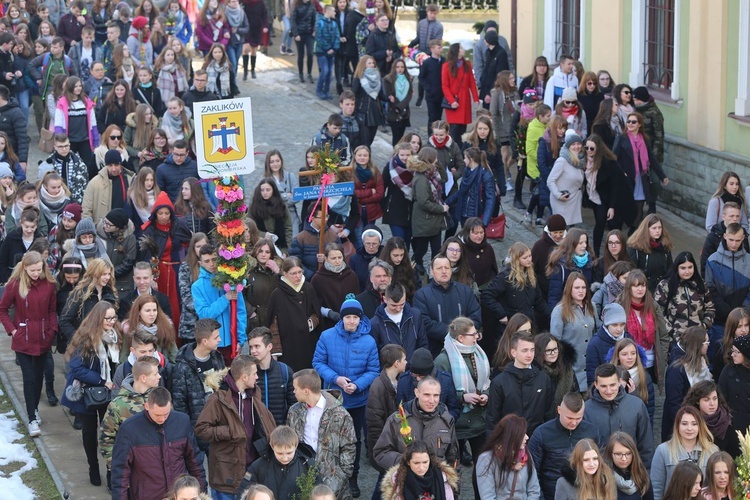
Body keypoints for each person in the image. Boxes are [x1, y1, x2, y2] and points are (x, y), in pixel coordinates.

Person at [313, 295, 378, 496]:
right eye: (348, 317)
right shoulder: (327, 336)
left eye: (355, 317)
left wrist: (358, 385)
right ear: (341, 318)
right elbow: (318, 362)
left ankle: (352, 478)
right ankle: (328, 477)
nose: (351, 321)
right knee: (329, 439)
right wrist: (337, 379)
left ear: (360, 319)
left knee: (354, 441)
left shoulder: (369, 341)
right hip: (333, 398)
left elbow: (374, 369)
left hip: (358, 400)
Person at [195, 355, 277, 500]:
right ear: (244, 377)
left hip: (251, 470)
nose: (257, 377)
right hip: (226, 474)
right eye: (254, 374)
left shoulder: (254, 394)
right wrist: (229, 431)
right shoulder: (218, 399)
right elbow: (201, 429)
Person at [60, 300, 121, 486]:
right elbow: (76, 369)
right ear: (98, 318)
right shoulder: (86, 339)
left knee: (110, 434)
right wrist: (102, 381)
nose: (111, 321)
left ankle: (111, 472)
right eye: (107, 318)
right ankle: (93, 468)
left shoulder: (115, 337)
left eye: (113, 317)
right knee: (89, 433)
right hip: (87, 394)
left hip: (108, 395)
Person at [111, 387, 207, 498]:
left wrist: (201, 493)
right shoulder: (129, 429)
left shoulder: (182, 422)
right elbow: (120, 473)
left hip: (177, 495)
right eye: (157, 415)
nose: (162, 419)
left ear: (170, 406)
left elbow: (194, 461)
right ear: (146, 406)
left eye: (166, 414)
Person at [0, 251, 56, 438]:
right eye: (32, 270)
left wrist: (52, 330)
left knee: (39, 377)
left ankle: (34, 409)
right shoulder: (15, 285)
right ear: (24, 268)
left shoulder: (48, 285)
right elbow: (3, 309)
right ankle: (31, 417)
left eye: (39, 269)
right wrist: (14, 331)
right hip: (23, 340)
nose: (35, 273)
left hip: (43, 338)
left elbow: (51, 310)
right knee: (28, 377)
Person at [434, 316, 490, 480]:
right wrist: (463, 396)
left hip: (478, 420)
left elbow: (487, 381)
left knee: (483, 471)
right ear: (460, 337)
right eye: (472, 335)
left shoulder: (479, 354)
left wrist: (485, 395)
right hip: (456, 424)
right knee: (452, 472)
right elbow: (440, 394)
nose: (476, 337)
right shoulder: (443, 360)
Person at [287, 368, 356, 498]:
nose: (293, 392)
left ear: (306, 391)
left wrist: (341, 475)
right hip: (302, 473)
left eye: (295, 388)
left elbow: (349, 446)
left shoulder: (340, 414)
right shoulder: (294, 411)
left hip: (332, 480)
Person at [99, 356, 161, 488]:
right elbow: (106, 440)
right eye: (155, 373)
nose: (159, 376)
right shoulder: (118, 405)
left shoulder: (160, 398)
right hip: (130, 475)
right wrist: (117, 467)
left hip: (156, 473)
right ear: (143, 378)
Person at [374, 376, 459, 470]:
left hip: (435, 480)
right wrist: (408, 462)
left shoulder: (446, 421)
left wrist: (453, 482)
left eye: (436, 395)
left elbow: (453, 458)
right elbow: (381, 453)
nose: (432, 401)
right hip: (406, 479)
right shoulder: (397, 420)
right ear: (417, 393)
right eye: (427, 395)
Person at [528, 392, 600, 500]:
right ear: (559, 410)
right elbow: (532, 472)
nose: (574, 423)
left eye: (578, 418)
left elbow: (601, 465)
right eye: (570, 418)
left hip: (586, 494)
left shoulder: (592, 431)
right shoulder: (542, 433)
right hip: (550, 494)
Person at [171, 318, 225, 458]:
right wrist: (188, 432)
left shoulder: (217, 357)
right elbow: (179, 402)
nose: (220, 340)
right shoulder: (183, 366)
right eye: (216, 337)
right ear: (205, 341)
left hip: (216, 427)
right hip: (196, 431)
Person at [139, 191, 191, 333]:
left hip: (175, 272)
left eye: (166, 213)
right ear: (155, 213)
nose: (163, 217)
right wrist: (151, 277)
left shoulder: (179, 225)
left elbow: (189, 244)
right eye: (160, 213)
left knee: (176, 306)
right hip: (159, 274)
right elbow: (146, 255)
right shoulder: (149, 230)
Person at [485, 330, 555, 437]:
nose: (529, 354)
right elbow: (492, 420)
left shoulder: (543, 379)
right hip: (508, 440)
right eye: (524, 350)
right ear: (513, 352)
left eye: (532, 350)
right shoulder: (499, 382)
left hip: (537, 439)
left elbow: (549, 414)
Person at [584, 364, 654, 468]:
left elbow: (646, 444)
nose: (608, 391)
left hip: (631, 472)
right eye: (603, 386)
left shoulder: (637, 405)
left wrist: (644, 473)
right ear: (596, 385)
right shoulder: (586, 409)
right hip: (599, 473)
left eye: (612, 385)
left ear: (619, 382)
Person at [481, 241, 550, 345]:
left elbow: (539, 302)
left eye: (530, 256)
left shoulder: (531, 276)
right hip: (510, 326)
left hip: (528, 324)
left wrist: (553, 314)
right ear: (517, 259)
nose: (529, 260)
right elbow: (487, 295)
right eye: (525, 257)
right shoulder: (505, 277)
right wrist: (501, 314)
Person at [413, 254, 482, 357]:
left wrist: (462, 334)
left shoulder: (465, 291)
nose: (444, 271)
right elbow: (424, 323)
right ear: (431, 271)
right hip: (435, 351)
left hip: (464, 348)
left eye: (447, 268)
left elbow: (475, 316)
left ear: (451, 270)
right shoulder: (421, 295)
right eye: (439, 268)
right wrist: (454, 334)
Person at [192, 243, 248, 366]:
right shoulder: (197, 286)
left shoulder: (231, 279)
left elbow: (240, 312)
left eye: (214, 259)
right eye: (207, 261)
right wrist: (225, 298)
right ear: (200, 263)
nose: (211, 264)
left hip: (232, 341)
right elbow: (204, 315)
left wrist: (241, 339)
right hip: (212, 344)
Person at [612, 112, 668, 229]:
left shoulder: (644, 139)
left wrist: (662, 176)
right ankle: (619, 227)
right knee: (626, 204)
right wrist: (622, 172)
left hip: (641, 177)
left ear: (639, 125)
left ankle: (634, 230)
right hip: (627, 177)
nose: (630, 124)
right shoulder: (622, 138)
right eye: (628, 121)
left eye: (633, 122)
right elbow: (614, 158)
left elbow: (651, 158)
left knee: (639, 206)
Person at [651, 405, 718, 500]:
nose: (689, 428)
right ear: (677, 425)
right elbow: (656, 489)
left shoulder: (712, 451)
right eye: (684, 423)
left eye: (694, 424)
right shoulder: (663, 451)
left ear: (700, 426)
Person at [266, 257, 320, 371]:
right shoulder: (277, 294)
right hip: (288, 346)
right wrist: (275, 351)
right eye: (293, 273)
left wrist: (309, 324)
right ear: (284, 274)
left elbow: (317, 313)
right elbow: (272, 324)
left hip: (308, 343)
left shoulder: (308, 288)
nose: (298, 276)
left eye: (300, 272)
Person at [705, 223, 750, 357]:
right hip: (720, 320)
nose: (734, 244)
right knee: (718, 355)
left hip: (743, 322)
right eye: (731, 240)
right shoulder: (713, 260)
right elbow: (710, 290)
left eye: (738, 240)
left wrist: (742, 313)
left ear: (743, 238)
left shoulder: (749, 261)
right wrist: (727, 312)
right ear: (725, 236)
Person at [654, 251, 715, 344]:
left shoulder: (700, 284)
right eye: (683, 268)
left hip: (698, 339)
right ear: (677, 268)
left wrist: (704, 326)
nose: (687, 271)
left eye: (690, 267)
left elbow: (710, 308)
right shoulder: (665, 285)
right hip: (673, 340)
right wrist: (672, 333)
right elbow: (657, 313)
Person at [549, 271, 597, 388]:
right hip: (571, 369)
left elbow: (595, 333)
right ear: (569, 288)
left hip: (591, 369)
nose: (581, 291)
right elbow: (555, 340)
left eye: (583, 287)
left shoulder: (592, 306)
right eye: (577, 288)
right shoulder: (559, 310)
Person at [366, 344, 405, 479]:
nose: (406, 362)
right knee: (386, 480)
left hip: (395, 443)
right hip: (386, 445)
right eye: (404, 359)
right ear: (396, 363)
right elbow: (375, 423)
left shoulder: (401, 381)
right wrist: (381, 451)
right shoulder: (378, 387)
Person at [246, 425, 317, 499]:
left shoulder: (308, 466)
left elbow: (320, 493)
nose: (285, 458)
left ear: (296, 446)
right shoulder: (258, 466)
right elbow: (245, 492)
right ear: (272, 446)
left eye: (289, 453)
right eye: (280, 453)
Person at [381, 440, 459, 500]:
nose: (421, 467)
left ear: (430, 460)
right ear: (408, 462)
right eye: (416, 463)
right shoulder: (398, 480)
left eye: (425, 462)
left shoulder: (442, 477)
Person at [683, 380, 739, 458]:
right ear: (697, 401)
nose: (712, 404)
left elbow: (735, 452)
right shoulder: (689, 420)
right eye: (706, 400)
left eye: (715, 398)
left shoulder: (726, 419)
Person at [632, 86, 665, 214]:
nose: (635, 101)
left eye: (638, 99)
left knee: (655, 181)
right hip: (637, 153)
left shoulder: (655, 112)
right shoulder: (634, 111)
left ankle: (652, 203)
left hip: (652, 154)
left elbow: (659, 136)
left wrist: (654, 157)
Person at [585, 302, 632, 385]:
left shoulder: (629, 338)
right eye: (614, 325)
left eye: (622, 325)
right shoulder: (595, 344)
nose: (619, 329)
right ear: (606, 324)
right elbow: (592, 376)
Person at [442, 43, 478, 145]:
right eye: (461, 48)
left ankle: (461, 153)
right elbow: (445, 86)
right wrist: (451, 101)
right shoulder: (446, 66)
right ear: (456, 51)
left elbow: (472, 82)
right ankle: (453, 152)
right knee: (454, 130)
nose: (463, 49)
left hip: (464, 101)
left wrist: (475, 99)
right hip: (454, 103)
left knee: (462, 129)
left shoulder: (467, 65)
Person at [718, 334, 750, 442]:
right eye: (732, 351)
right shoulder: (728, 370)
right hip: (733, 425)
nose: (733, 355)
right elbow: (721, 397)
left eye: (737, 352)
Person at [701, 202, 747, 276]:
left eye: (737, 216)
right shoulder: (713, 236)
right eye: (731, 216)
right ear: (723, 216)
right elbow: (705, 262)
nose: (735, 219)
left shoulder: (743, 234)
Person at [381, 142, 413, 249]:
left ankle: (405, 263)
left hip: (411, 210)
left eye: (408, 155)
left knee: (407, 242)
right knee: (399, 240)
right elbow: (382, 187)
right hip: (394, 211)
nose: (405, 158)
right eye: (402, 155)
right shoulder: (390, 167)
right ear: (397, 154)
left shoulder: (417, 168)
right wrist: (383, 205)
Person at [603, 432, 653, 500]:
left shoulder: (642, 476)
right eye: (618, 454)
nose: (624, 458)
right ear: (610, 454)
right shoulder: (603, 478)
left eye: (628, 453)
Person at [351, 55, 385, 148]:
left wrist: (390, 98)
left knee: (370, 139)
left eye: (373, 63)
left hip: (375, 112)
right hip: (363, 112)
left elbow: (381, 95)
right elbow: (354, 94)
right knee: (364, 141)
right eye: (369, 63)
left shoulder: (377, 77)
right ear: (363, 65)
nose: (372, 65)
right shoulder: (359, 78)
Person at [457, 218, 498, 290]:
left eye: (481, 232)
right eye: (475, 233)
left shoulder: (488, 248)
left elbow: (493, 271)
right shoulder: (460, 248)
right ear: (468, 233)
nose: (479, 236)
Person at [420, 39, 445, 136]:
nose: (441, 49)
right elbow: (421, 77)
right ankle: (431, 136)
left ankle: (438, 134)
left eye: (441, 47)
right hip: (431, 95)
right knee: (432, 116)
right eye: (439, 47)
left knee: (439, 116)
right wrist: (428, 88)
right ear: (432, 49)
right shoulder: (427, 63)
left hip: (441, 94)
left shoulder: (443, 61)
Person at [290, 0, 316, 83]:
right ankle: (301, 73)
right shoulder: (296, 5)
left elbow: (314, 20)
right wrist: (296, 34)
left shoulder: (312, 6)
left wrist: (314, 30)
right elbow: (293, 21)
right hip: (299, 34)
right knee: (301, 55)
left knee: (310, 54)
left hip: (309, 34)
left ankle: (309, 73)